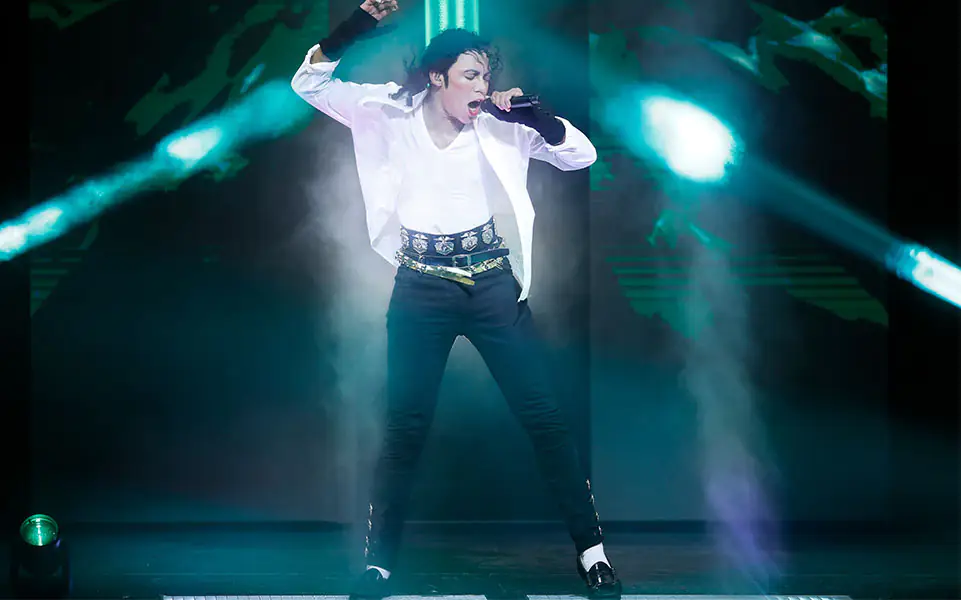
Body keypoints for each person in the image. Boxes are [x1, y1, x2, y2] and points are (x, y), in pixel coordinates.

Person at [291, 1, 621, 598]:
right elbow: (308, 83)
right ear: (437, 77)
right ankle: (378, 566)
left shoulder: (502, 123)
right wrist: (356, 26)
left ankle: (593, 555)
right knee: (405, 428)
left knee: (545, 420)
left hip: (492, 285)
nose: (482, 87)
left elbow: (582, 156)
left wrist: (538, 116)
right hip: (421, 286)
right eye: (470, 75)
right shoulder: (386, 111)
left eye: (486, 76)